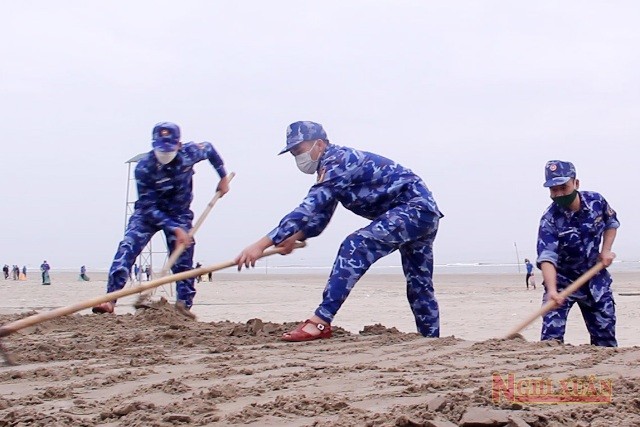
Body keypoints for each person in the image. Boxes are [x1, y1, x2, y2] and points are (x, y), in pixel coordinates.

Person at [235, 121, 443, 342]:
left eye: (299, 150)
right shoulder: (328, 171)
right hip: (419, 215)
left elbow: (309, 207)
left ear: (320, 144)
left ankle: (320, 321)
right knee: (418, 284)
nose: (297, 157)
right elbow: (320, 218)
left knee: (356, 245)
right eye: (293, 153)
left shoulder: (339, 161)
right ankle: (431, 340)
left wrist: (262, 244)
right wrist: (295, 237)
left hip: (415, 210)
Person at [92, 122, 229, 316]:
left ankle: (183, 306)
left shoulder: (190, 152)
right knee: (127, 248)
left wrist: (222, 177)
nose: (164, 155)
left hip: (179, 213)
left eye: (169, 150)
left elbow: (210, 149)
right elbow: (148, 208)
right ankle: (109, 300)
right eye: (161, 150)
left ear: (178, 145)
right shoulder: (144, 167)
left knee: (183, 260)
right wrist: (174, 228)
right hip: (149, 214)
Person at [536, 160, 619, 347]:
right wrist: (551, 290)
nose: (558, 194)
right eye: (553, 189)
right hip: (562, 283)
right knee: (550, 340)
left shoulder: (596, 201)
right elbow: (547, 258)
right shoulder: (549, 219)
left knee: (605, 341)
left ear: (576, 183)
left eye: (563, 187)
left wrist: (605, 250)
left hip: (595, 279)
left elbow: (611, 223)